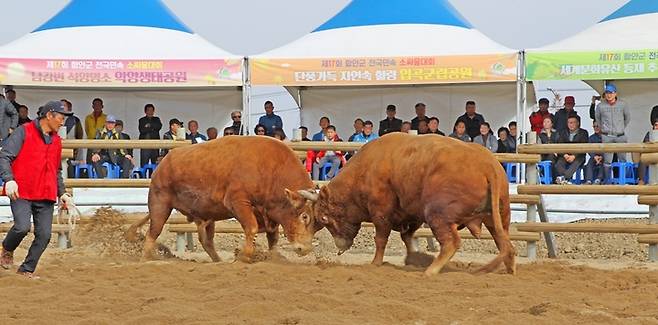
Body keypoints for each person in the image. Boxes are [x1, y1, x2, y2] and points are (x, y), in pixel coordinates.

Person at [0, 101, 74, 278]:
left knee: (44, 235)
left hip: (46, 193)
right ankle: (7, 248)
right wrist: (9, 180)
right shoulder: (23, 131)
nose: (62, 122)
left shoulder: (56, 141)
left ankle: (26, 269)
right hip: (22, 191)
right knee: (21, 227)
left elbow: (56, 170)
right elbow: (5, 156)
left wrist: (62, 192)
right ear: (49, 115)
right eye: (60, 118)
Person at [595, 84, 630, 165]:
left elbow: (627, 118)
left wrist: (621, 127)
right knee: (607, 161)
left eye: (611, 93)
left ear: (615, 94)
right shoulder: (600, 106)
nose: (609, 95)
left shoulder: (622, 104)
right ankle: (607, 178)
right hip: (606, 136)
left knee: (622, 160)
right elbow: (598, 118)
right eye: (607, 93)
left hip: (620, 136)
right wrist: (603, 128)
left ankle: (622, 177)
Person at [554, 116, 589, 184]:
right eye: (569, 123)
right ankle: (565, 180)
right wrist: (565, 155)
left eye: (573, 122)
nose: (571, 124)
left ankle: (564, 178)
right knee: (558, 164)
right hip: (565, 155)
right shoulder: (563, 132)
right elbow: (560, 145)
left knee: (576, 163)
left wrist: (574, 156)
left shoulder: (583, 132)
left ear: (578, 123)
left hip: (578, 156)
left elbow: (583, 146)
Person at [61, 99, 84, 177]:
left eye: (64, 105)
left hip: (71, 150)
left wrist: (77, 153)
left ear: (68, 108)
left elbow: (79, 135)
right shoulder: (54, 118)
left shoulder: (75, 120)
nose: (62, 107)